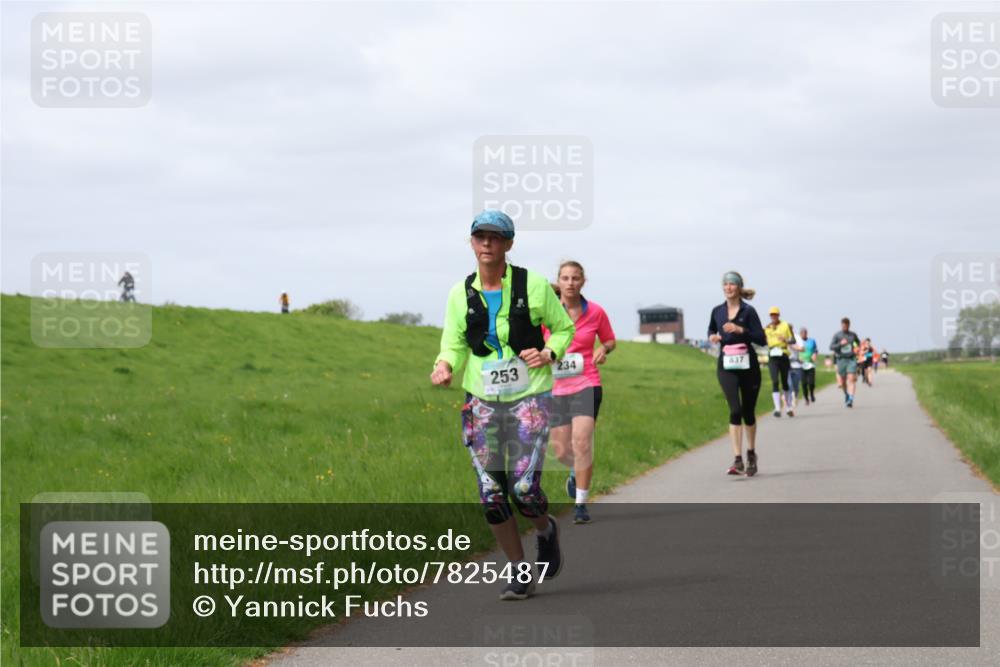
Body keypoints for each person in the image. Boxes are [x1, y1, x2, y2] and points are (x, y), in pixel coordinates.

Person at [431, 210, 575, 601]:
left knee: (525, 488)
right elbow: (454, 342)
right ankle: (517, 569)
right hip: (481, 401)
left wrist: (549, 352)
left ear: (509, 244)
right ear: (472, 242)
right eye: (480, 237)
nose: (488, 244)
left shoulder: (534, 286)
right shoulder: (460, 294)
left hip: (530, 397)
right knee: (491, 492)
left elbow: (564, 328)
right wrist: (444, 365)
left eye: (496, 238)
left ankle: (545, 530)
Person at [546, 261, 616, 525]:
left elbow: (609, 339)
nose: (570, 283)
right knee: (562, 451)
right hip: (555, 388)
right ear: (559, 281)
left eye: (575, 278)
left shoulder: (596, 312)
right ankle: (576, 473)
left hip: (587, 383)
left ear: (583, 281)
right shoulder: (548, 313)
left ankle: (580, 504)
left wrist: (603, 349)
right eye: (565, 278)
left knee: (582, 442)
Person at [708, 271, 766, 476]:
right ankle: (737, 459)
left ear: (739, 287)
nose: (728, 287)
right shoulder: (717, 311)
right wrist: (714, 337)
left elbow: (762, 339)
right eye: (725, 284)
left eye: (732, 284)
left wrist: (741, 330)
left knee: (748, 412)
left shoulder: (749, 312)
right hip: (726, 364)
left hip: (748, 365)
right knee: (735, 410)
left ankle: (751, 453)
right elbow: (711, 330)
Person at [764, 306, 796, 417]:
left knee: (784, 382)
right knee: (775, 381)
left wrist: (786, 340)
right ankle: (777, 409)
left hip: (783, 355)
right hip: (772, 355)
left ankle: (788, 407)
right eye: (771, 315)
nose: (773, 316)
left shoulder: (785, 325)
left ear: (778, 315)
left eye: (775, 314)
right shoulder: (767, 328)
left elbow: (793, 340)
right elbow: (762, 340)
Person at [830, 317, 861, 408]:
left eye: (846, 325)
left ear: (849, 325)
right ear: (841, 325)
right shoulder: (837, 335)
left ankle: (851, 399)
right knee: (843, 381)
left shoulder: (853, 335)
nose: (844, 327)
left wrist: (857, 348)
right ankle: (846, 394)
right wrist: (840, 344)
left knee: (851, 379)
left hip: (851, 359)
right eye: (843, 325)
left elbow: (858, 343)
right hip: (841, 359)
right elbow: (831, 347)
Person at [794, 327, 819, 405]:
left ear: (807, 333)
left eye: (805, 333)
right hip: (801, 365)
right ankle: (806, 398)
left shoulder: (812, 341)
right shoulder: (797, 342)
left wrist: (814, 354)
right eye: (802, 333)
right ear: (800, 334)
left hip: (811, 364)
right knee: (804, 383)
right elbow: (794, 352)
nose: (804, 334)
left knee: (811, 382)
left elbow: (815, 350)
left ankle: (811, 394)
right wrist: (798, 359)